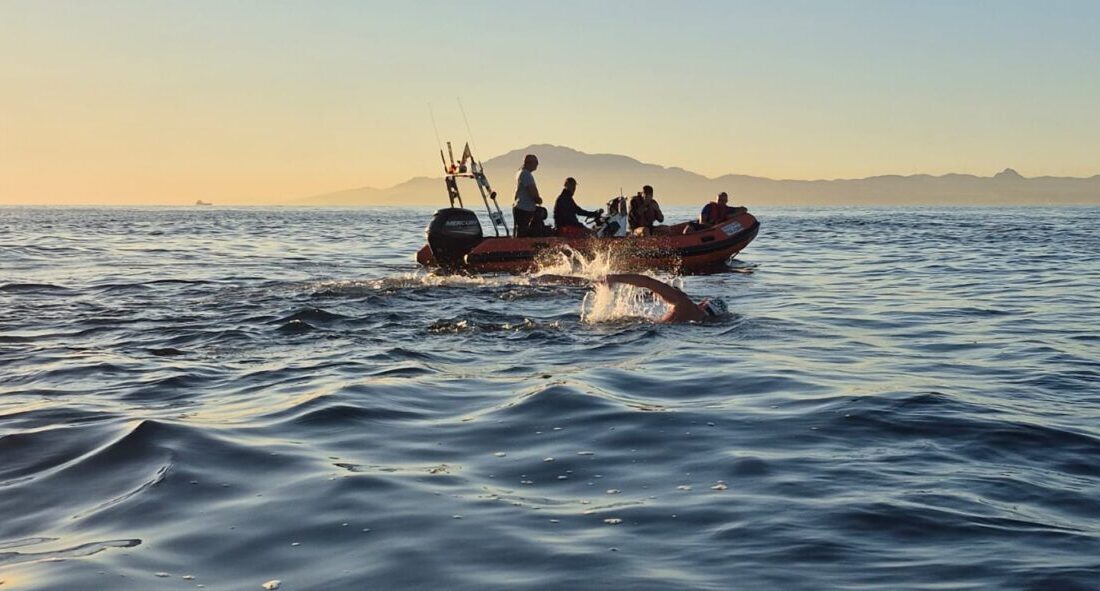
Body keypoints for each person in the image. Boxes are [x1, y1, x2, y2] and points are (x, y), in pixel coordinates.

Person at [533, 273, 728, 323]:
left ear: (703, 303)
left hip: (642, 330)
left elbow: (647, 282)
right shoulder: (703, 323)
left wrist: (615, 278)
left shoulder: (683, 302)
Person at [512, 154, 542, 237]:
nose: (537, 164)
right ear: (529, 163)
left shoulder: (521, 172)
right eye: (535, 162)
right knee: (523, 230)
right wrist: (538, 199)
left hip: (521, 207)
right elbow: (531, 190)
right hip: (524, 208)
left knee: (521, 229)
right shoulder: (526, 174)